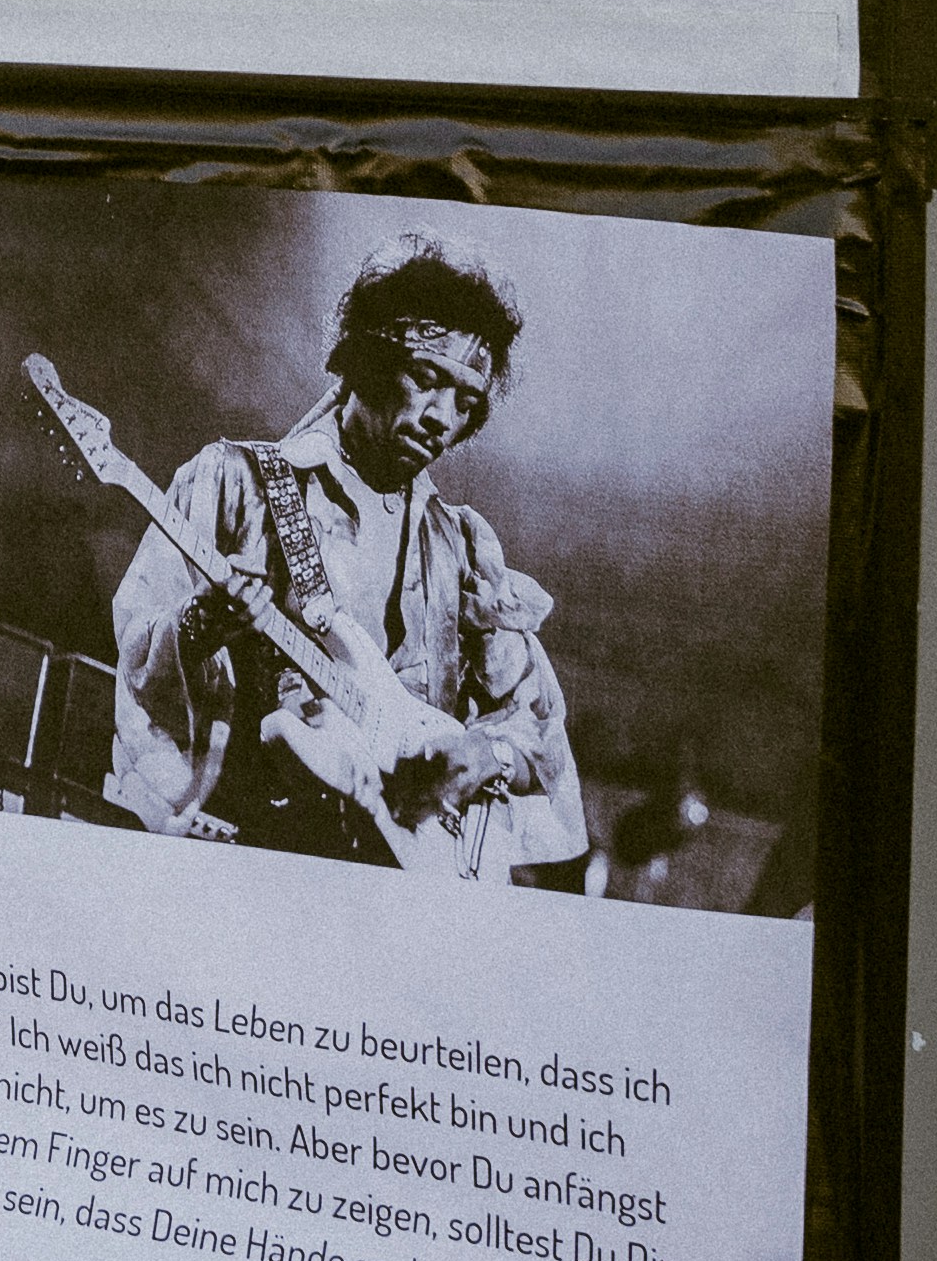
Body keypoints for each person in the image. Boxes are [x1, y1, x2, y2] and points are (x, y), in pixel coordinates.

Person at [102, 239, 586, 879]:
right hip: (248, 863)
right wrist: (202, 623)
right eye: (427, 379)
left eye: (467, 403)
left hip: (403, 882)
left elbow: (539, 733)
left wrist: (484, 755)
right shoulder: (236, 482)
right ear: (368, 361)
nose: (443, 418)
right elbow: (136, 663)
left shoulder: (462, 550)